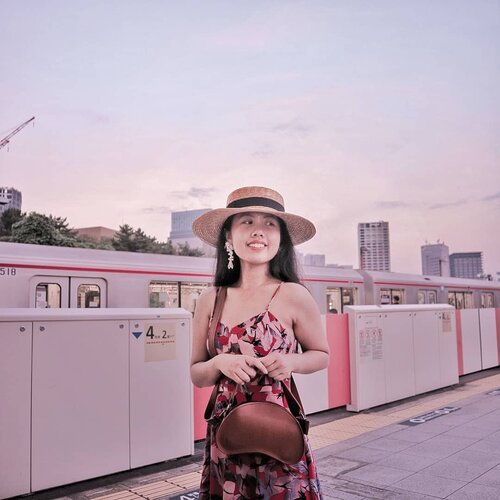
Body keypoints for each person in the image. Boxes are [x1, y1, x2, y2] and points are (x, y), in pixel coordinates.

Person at [191, 186, 329, 499]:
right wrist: (219, 363)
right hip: (226, 438)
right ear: (228, 236)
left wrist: (291, 362)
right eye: (247, 222)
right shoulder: (209, 300)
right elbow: (197, 373)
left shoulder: (294, 295)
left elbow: (321, 355)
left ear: (281, 238)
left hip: (278, 434)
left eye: (269, 223)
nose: (258, 232)